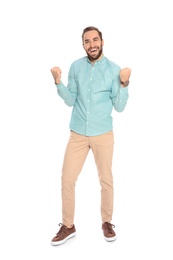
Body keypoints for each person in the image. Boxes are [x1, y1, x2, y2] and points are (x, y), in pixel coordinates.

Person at [50, 26, 131, 246]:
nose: (92, 45)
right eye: (87, 41)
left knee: (106, 179)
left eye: (95, 40)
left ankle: (107, 222)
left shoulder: (114, 69)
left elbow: (120, 107)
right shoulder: (76, 67)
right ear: (83, 44)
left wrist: (124, 83)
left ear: (102, 42)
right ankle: (68, 225)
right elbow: (70, 100)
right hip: (77, 133)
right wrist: (58, 82)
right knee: (67, 178)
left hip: (103, 133)